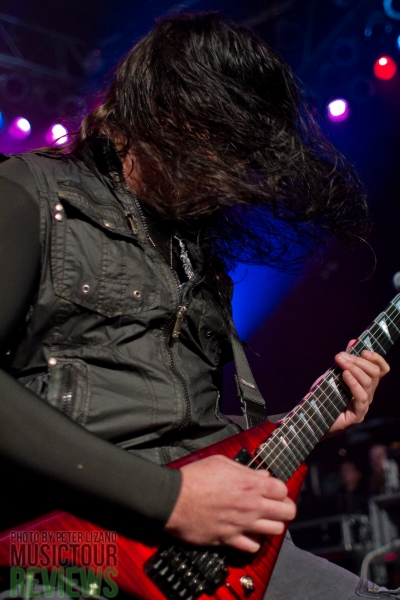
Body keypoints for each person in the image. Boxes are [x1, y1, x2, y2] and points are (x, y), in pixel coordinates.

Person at [0, 11, 393, 600]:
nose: (236, 172)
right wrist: (171, 499)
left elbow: (186, 428)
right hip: (68, 551)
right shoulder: (30, 192)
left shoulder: (199, 258)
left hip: (201, 562)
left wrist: (300, 422)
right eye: (223, 144)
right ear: (166, 111)